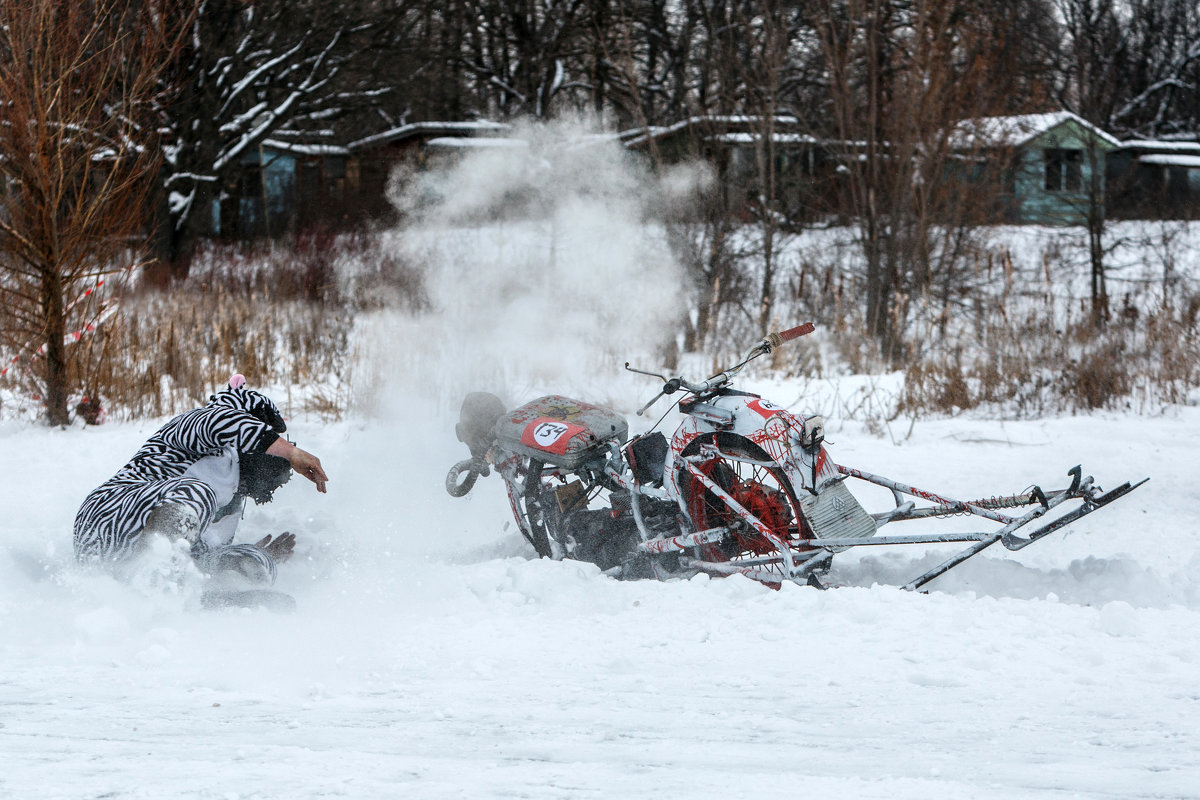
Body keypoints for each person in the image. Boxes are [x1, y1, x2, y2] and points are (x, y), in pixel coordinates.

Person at [73, 374, 329, 584]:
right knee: (198, 493)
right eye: (265, 435)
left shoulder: (231, 499)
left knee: (246, 557)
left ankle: (185, 592)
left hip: (121, 557)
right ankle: (155, 578)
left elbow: (201, 555)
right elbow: (221, 421)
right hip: (109, 511)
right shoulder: (193, 424)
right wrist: (291, 452)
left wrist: (255, 556)